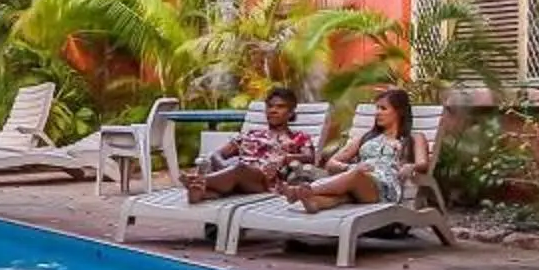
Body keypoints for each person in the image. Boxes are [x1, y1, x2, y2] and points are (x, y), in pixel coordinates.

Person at [294, 87, 424, 212]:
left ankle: (303, 191)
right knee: (344, 194)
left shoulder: (413, 138)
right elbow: (331, 163)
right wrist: (348, 168)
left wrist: (411, 166)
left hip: (385, 188)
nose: (377, 112)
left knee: (356, 176)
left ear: (399, 112)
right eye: (377, 108)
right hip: (360, 182)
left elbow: (423, 164)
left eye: (383, 108)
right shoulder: (366, 137)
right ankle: (314, 202)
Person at [180, 86, 315, 200]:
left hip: (263, 182)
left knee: (239, 168)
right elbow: (217, 153)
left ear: (291, 113)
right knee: (232, 167)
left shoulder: (299, 138)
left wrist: (286, 158)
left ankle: (199, 181)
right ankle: (202, 192)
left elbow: (310, 157)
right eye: (270, 106)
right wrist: (224, 166)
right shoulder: (251, 134)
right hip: (234, 176)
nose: (273, 110)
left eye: (280, 107)